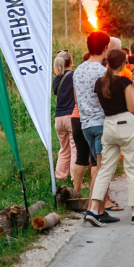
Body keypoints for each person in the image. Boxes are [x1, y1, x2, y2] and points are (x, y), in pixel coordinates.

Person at [86, 49, 134, 226]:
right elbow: (130, 107)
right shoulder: (123, 81)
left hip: (109, 126)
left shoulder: (100, 83)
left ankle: (93, 209)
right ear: (122, 64)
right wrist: (131, 87)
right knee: (133, 168)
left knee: (105, 169)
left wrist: (131, 86)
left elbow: (111, 100)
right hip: (125, 125)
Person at [74, 31, 122, 215]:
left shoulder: (78, 70)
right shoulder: (104, 72)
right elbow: (111, 100)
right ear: (105, 48)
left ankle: (99, 209)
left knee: (98, 167)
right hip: (102, 124)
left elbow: (77, 99)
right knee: (102, 170)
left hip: (86, 124)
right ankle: (95, 211)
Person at [52, 50, 77, 182]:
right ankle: (75, 178)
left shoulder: (56, 79)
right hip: (71, 116)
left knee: (64, 149)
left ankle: (60, 177)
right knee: (75, 148)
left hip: (58, 118)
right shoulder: (74, 76)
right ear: (71, 62)